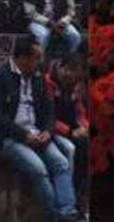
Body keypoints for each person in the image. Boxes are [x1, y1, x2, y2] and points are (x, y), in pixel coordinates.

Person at [0, 35, 82, 221]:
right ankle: (58, 217)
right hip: (8, 137)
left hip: (36, 133)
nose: (40, 62)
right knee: (38, 169)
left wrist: (47, 132)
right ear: (22, 59)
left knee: (61, 163)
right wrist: (23, 134)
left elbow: (49, 111)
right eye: (36, 58)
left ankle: (68, 212)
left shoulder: (38, 78)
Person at [45, 52, 89, 194]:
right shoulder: (48, 82)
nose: (76, 81)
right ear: (65, 69)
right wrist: (70, 131)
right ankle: (72, 192)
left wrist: (83, 126)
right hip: (54, 128)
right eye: (75, 75)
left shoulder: (76, 84)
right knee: (75, 148)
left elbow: (80, 110)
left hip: (72, 125)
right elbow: (47, 117)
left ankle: (82, 192)